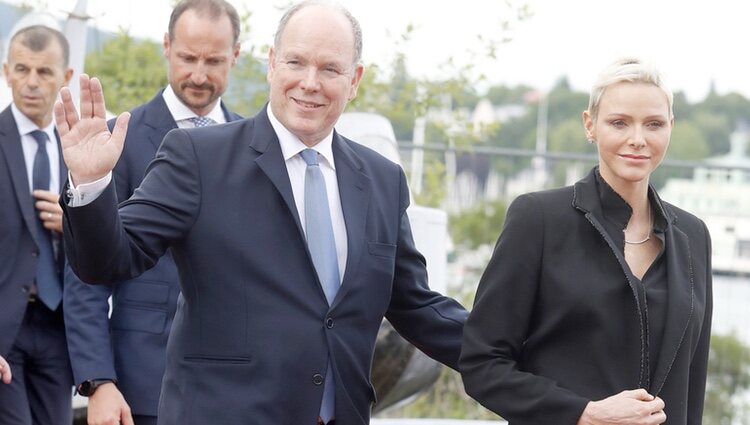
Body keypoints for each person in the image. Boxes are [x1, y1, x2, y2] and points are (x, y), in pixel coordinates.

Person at [55, 1, 467, 424]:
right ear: (271, 64)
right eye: (296, 62)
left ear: (354, 79)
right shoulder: (198, 157)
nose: (310, 83)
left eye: (330, 69)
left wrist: (515, 351)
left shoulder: (383, 180)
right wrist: (90, 184)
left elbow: (416, 306)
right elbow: (109, 260)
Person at [460, 57, 712, 425]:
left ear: (670, 127)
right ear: (590, 125)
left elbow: (693, 382)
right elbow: (482, 363)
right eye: (619, 122)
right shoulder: (539, 218)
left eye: (654, 124)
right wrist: (584, 413)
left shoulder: (693, 235)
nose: (637, 139)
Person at [61, 1, 243, 425]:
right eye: (187, 57)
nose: (199, 74)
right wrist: (98, 381)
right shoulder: (113, 144)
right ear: (166, 46)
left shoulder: (252, 147)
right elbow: (86, 276)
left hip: (235, 392)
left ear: (236, 55)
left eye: (214, 60)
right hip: (141, 386)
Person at [0, 25, 74, 424]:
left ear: (66, 78)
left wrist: (76, 226)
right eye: (21, 69)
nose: (31, 82)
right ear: (5, 71)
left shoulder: (82, 147)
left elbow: (112, 241)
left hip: (59, 328)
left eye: (44, 72)